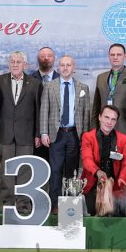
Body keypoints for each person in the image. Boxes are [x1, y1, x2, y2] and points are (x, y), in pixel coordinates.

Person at [0, 51, 40, 214]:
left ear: (25, 65)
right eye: (12, 62)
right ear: (8, 64)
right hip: (5, 133)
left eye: (18, 62)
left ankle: (23, 206)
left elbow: (38, 110)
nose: (15, 65)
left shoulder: (35, 83)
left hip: (26, 134)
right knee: (7, 171)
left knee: (25, 171)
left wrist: (38, 134)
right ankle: (8, 205)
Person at [39, 55, 91, 211]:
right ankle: (55, 205)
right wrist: (43, 132)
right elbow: (44, 110)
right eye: (62, 65)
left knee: (72, 170)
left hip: (75, 135)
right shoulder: (49, 86)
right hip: (56, 134)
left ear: (73, 68)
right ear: (58, 67)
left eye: (68, 65)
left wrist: (86, 137)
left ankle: (70, 206)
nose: (65, 68)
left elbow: (86, 114)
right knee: (55, 170)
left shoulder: (83, 88)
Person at [91, 43, 126, 168]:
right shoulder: (101, 77)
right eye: (112, 54)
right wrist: (93, 129)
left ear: (125, 56)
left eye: (119, 54)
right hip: (103, 131)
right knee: (104, 165)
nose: (115, 57)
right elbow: (96, 106)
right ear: (108, 56)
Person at [80, 105, 126, 216]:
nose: (109, 122)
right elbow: (87, 159)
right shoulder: (88, 136)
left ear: (116, 122)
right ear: (99, 117)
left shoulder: (122, 139)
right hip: (94, 184)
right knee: (94, 212)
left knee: (120, 212)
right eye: (106, 117)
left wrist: (122, 178)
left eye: (113, 119)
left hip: (115, 186)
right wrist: (98, 172)